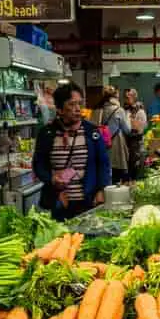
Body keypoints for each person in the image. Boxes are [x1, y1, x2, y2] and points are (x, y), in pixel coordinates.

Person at [33, 82, 110, 220]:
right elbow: (39, 164)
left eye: (79, 104)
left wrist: (101, 190)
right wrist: (51, 179)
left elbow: (103, 163)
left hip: (87, 201)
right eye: (71, 104)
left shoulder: (91, 132)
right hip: (58, 202)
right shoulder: (47, 133)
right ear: (60, 109)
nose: (77, 109)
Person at [97, 85, 132, 183]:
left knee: (105, 171)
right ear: (115, 96)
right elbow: (127, 130)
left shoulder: (98, 109)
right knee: (117, 172)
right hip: (116, 144)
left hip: (101, 143)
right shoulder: (118, 110)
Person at [123, 87, 147, 180]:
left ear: (134, 97)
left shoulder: (140, 111)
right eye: (125, 97)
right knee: (128, 166)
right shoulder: (125, 110)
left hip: (136, 143)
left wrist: (133, 128)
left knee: (135, 166)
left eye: (128, 96)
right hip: (126, 142)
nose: (126, 99)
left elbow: (141, 128)